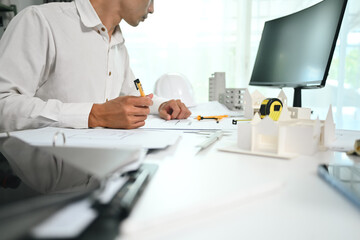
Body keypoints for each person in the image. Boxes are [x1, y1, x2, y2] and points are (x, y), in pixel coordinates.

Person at [0, 0, 191, 132]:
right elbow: (3, 103)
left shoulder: (117, 42)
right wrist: (94, 115)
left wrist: (161, 105)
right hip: (49, 187)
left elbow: (128, 95)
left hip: (108, 181)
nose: (151, 9)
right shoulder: (39, 21)